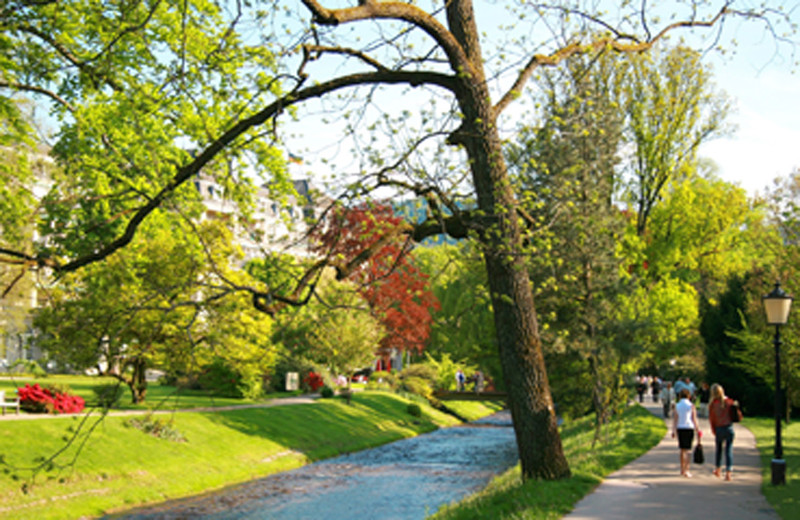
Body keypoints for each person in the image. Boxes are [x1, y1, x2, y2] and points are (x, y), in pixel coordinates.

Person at [708, 383, 736, 481]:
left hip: (719, 428)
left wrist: (713, 430)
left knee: (719, 450)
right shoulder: (729, 402)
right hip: (729, 428)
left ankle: (718, 469)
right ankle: (728, 473)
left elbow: (712, 419)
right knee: (729, 450)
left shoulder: (713, 404)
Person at [672, 388, 701, 477]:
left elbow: (675, 419)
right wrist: (698, 429)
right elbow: (694, 419)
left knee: (682, 449)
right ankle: (687, 469)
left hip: (680, 428)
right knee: (688, 450)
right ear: (689, 396)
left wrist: (673, 430)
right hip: (689, 427)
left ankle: (682, 469)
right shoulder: (691, 406)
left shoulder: (677, 406)